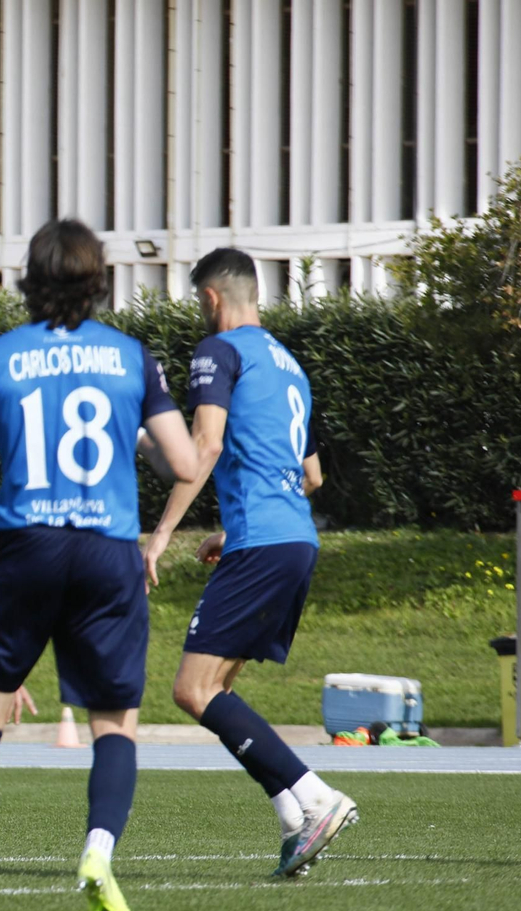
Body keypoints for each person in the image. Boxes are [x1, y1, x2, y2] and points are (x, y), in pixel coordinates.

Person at [0, 219, 199, 911]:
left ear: (30, 278)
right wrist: (132, 435)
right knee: (115, 723)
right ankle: (99, 854)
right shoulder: (133, 359)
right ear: (98, 279)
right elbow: (185, 463)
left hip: (26, 545)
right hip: (107, 550)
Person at [142, 246, 355, 879]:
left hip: (263, 540)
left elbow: (203, 446)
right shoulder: (291, 366)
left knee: (192, 688)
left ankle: (315, 796)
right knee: (219, 689)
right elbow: (311, 476)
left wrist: (160, 538)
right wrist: (232, 528)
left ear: (211, 298)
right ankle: (294, 818)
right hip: (292, 539)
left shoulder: (218, 351)